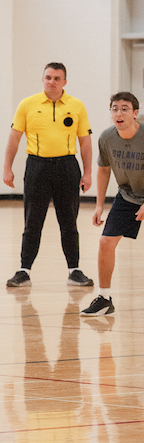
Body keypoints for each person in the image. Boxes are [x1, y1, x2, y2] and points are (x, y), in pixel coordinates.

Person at [3, 62, 94, 288]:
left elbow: (85, 142)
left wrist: (88, 172)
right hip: (37, 167)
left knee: (68, 221)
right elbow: (14, 138)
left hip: (67, 167)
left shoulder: (77, 106)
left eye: (56, 78)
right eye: (48, 77)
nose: (51, 82)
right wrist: (7, 167)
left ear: (64, 82)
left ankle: (74, 270)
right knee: (32, 221)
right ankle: (24, 270)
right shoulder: (28, 105)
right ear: (42, 79)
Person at [81, 92, 144, 316]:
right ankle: (104, 298)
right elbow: (104, 169)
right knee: (106, 243)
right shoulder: (107, 137)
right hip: (128, 195)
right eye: (115, 108)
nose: (119, 113)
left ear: (135, 113)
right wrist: (99, 205)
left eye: (124, 109)